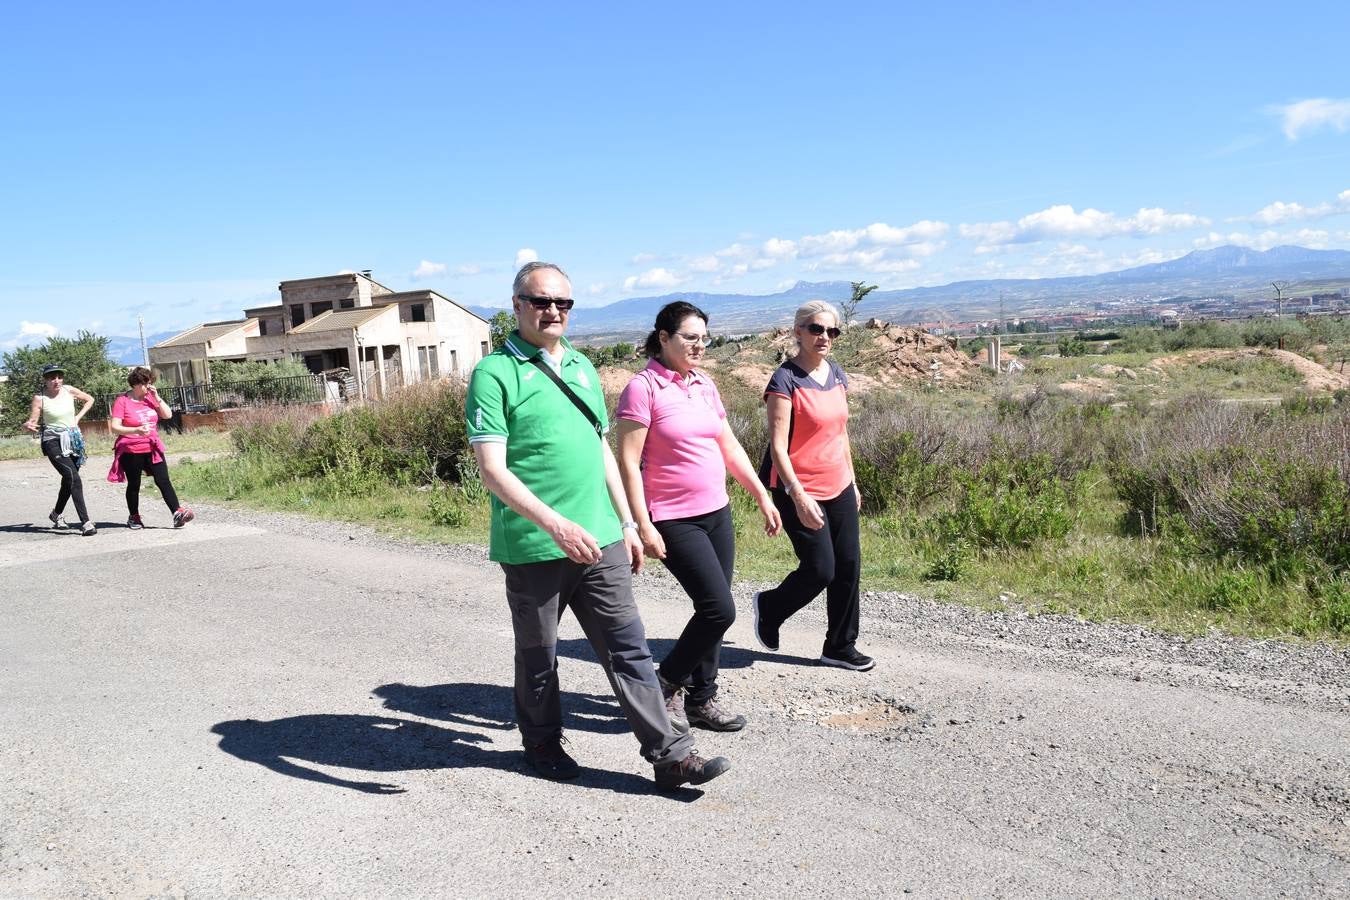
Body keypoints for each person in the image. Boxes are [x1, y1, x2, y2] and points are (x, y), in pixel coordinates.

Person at [465, 261, 729, 789]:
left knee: (629, 648)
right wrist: (555, 524)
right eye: (541, 301)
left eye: (562, 303)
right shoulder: (494, 373)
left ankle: (671, 754)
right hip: (533, 544)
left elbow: (602, 450)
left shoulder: (584, 367)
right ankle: (541, 743)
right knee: (539, 654)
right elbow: (492, 469)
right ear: (517, 306)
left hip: (602, 537)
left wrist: (629, 522)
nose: (552, 311)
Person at [615, 301, 781, 733]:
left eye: (704, 338)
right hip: (671, 517)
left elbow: (728, 446)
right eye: (690, 337)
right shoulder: (643, 388)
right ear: (664, 337)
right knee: (718, 609)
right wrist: (640, 523)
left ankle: (701, 700)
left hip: (716, 512)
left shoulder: (704, 384)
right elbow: (628, 464)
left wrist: (762, 495)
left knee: (712, 609)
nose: (699, 345)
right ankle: (665, 684)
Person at [753, 300, 875, 671]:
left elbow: (841, 435)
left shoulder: (836, 374)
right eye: (816, 329)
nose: (824, 337)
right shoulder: (785, 379)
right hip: (796, 486)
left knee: (849, 565)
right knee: (821, 568)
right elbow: (777, 446)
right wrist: (797, 495)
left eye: (832, 331)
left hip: (837, 482)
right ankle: (771, 607)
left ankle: (839, 647)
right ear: (798, 332)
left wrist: (851, 482)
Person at [107, 367, 195, 529]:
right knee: (134, 484)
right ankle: (134, 517)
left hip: (153, 447)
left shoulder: (150, 398)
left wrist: (157, 397)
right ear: (136, 384)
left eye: (150, 383)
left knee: (163, 480)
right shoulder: (123, 401)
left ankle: (177, 513)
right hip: (131, 449)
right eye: (146, 383)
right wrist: (136, 430)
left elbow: (167, 415)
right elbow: (115, 427)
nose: (149, 386)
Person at [22, 363, 96, 536]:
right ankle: (86, 523)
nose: (56, 380)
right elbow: (31, 422)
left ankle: (56, 514)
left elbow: (90, 399)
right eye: (51, 378)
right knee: (73, 477)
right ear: (45, 380)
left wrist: (77, 417)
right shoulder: (40, 398)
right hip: (52, 440)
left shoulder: (69, 390)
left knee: (69, 480)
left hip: (72, 439)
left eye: (59, 377)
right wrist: (27, 426)